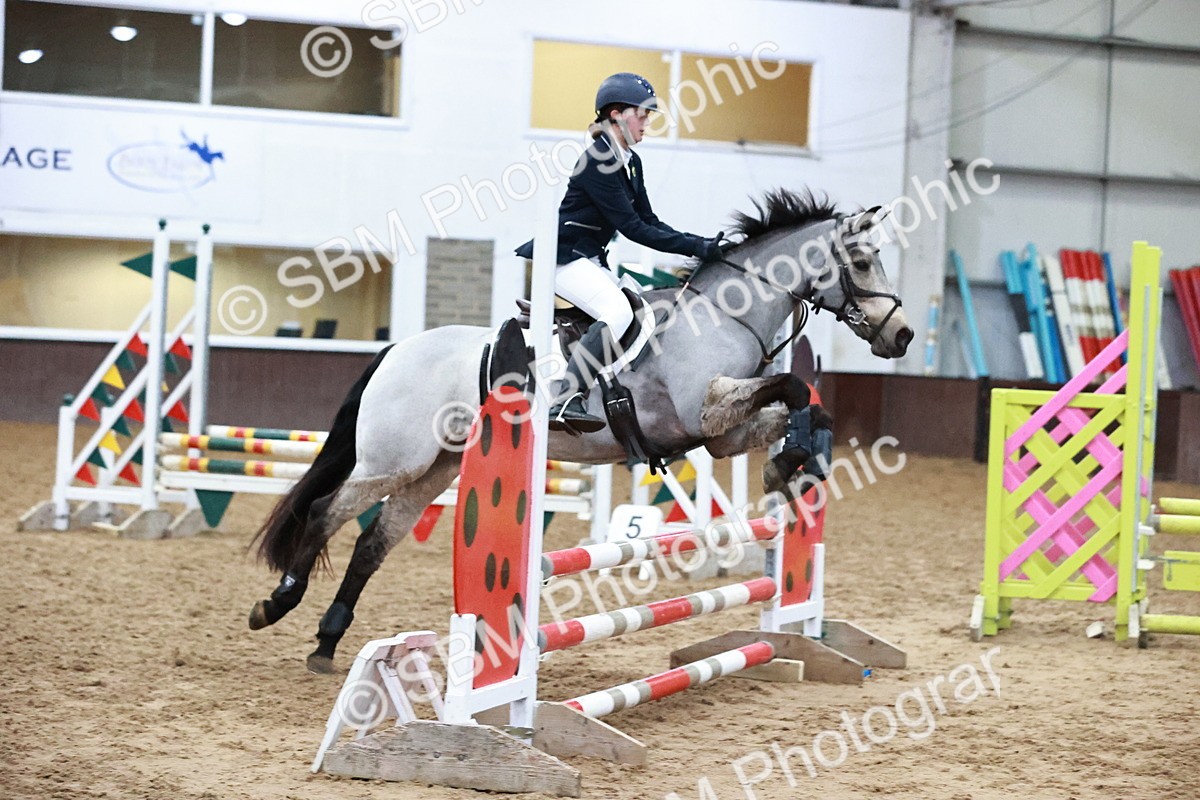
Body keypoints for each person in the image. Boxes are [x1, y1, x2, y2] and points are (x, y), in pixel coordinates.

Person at [515, 72, 724, 433]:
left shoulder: (630, 160)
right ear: (615, 114)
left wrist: (700, 242)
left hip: (590, 259)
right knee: (616, 312)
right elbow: (634, 229)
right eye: (641, 114)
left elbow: (650, 220)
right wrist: (695, 247)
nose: (646, 123)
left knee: (642, 313)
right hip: (564, 258)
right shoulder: (598, 157)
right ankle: (566, 397)